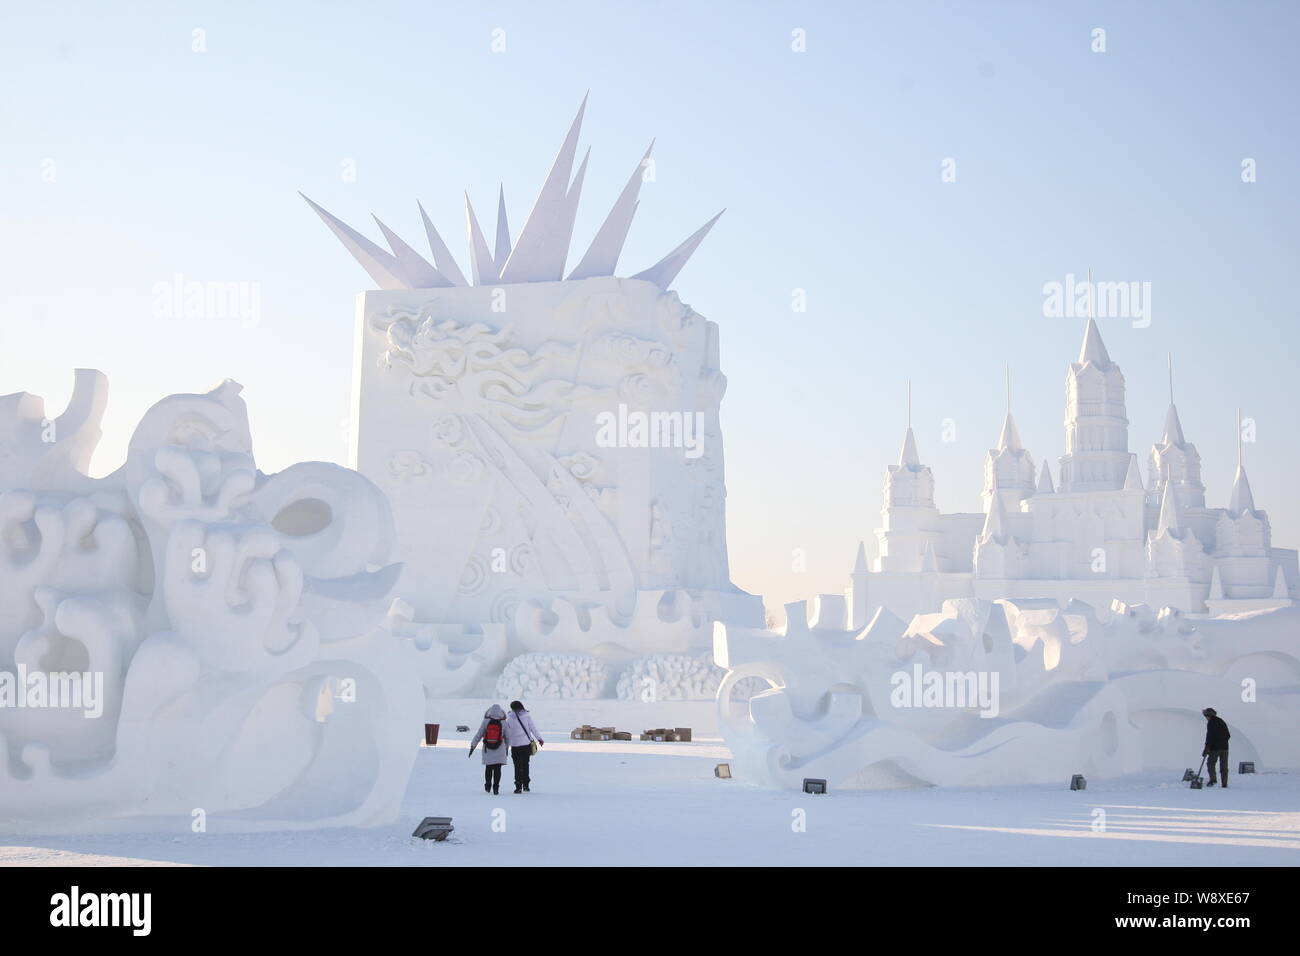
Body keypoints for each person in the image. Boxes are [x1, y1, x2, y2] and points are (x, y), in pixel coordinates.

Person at [468, 704, 509, 795]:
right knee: (497, 769)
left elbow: (479, 735)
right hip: (500, 749)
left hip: (488, 749)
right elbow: (508, 737)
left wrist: (473, 746)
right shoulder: (504, 722)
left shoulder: (485, 721)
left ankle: (487, 786)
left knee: (488, 768)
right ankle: (496, 788)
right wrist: (506, 748)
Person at [504, 699, 544, 793]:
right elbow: (533, 728)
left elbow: (507, 733)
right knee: (525, 764)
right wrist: (539, 739)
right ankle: (526, 785)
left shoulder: (509, 718)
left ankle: (518, 786)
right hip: (526, 744)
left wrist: (506, 745)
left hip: (515, 745)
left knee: (517, 766)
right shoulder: (526, 716)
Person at [1202, 707, 1231, 788]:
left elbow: (1210, 736)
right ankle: (1224, 784)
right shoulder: (1221, 721)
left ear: (1209, 715)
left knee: (1210, 763)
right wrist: (1223, 742)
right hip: (1225, 748)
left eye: (1206, 716)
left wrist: (1207, 747)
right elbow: (1228, 735)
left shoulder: (1211, 723)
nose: (1206, 718)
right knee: (1224, 766)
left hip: (1215, 748)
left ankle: (1213, 780)